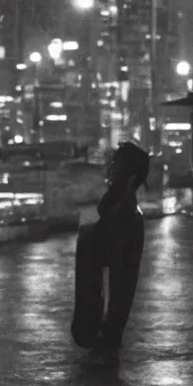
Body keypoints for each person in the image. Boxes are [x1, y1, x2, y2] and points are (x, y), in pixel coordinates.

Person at [70, 142, 152, 362]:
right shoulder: (125, 209)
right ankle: (103, 332)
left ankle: (99, 332)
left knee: (122, 283)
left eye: (117, 163)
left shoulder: (124, 213)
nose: (111, 167)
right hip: (106, 336)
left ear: (129, 173)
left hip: (104, 339)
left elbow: (121, 283)